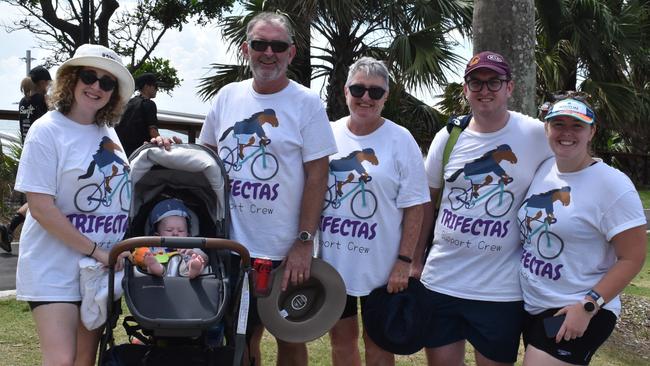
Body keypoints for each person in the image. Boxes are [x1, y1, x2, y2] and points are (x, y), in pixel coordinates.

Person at [198, 12, 337, 366]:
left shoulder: (307, 103)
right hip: (229, 245)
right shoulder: (227, 97)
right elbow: (206, 159)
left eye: (278, 46)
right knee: (240, 337)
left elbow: (318, 176)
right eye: (260, 44)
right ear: (246, 50)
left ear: (291, 53)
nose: (268, 53)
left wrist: (304, 243)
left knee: (290, 336)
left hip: (283, 249)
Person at [414, 51, 554, 366]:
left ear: (509, 88)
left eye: (494, 82)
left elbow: (571, 157)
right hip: (441, 280)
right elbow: (426, 200)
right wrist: (415, 259)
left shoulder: (534, 133)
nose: (484, 90)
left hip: (499, 290)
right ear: (465, 89)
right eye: (476, 82)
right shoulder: (449, 136)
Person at [14, 44, 135, 366]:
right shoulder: (48, 130)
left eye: (107, 82)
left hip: (97, 270)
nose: (96, 86)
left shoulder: (106, 130)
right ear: (71, 79)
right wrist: (96, 250)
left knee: (85, 361)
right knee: (63, 360)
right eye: (89, 76)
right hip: (55, 268)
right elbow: (40, 207)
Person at [518, 97, 646, 365]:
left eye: (577, 126)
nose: (566, 133)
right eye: (558, 124)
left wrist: (588, 306)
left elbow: (632, 257)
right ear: (546, 129)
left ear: (592, 132)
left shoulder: (613, 185)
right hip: (533, 306)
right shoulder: (544, 170)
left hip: (578, 307)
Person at [320, 56, 430, 366]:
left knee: (380, 344)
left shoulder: (400, 139)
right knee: (341, 344)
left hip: (381, 270)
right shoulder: (327, 133)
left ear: (386, 97)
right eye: (358, 90)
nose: (365, 98)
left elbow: (415, 207)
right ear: (345, 92)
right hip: (333, 263)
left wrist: (404, 261)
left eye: (375, 92)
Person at [0, 67, 54, 253]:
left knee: (39, 196)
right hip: (43, 152)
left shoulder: (24, 102)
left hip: (28, 151)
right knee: (47, 197)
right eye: (48, 83)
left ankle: (9, 228)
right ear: (42, 83)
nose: (49, 86)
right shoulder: (41, 100)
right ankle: (10, 229)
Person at [132, 198, 207, 279]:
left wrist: (193, 254)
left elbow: (205, 258)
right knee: (150, 261)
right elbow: (137, 255)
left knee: (197, 262)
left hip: (185, 272)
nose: (175, 233)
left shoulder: (190, 247)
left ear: (188, 234)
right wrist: (145, 257)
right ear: (157, 235)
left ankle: (194, 268)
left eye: (181, 230)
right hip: (160, 272)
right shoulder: (153, 247)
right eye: (169, 230)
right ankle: (154, 266)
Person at [115, 72, 161, 157]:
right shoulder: (149, 104)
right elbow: (153, 132)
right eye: (155, 86)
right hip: (138, 153)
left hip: (121, 151)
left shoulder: (128, 102)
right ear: (146, 86)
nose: (157, 89)